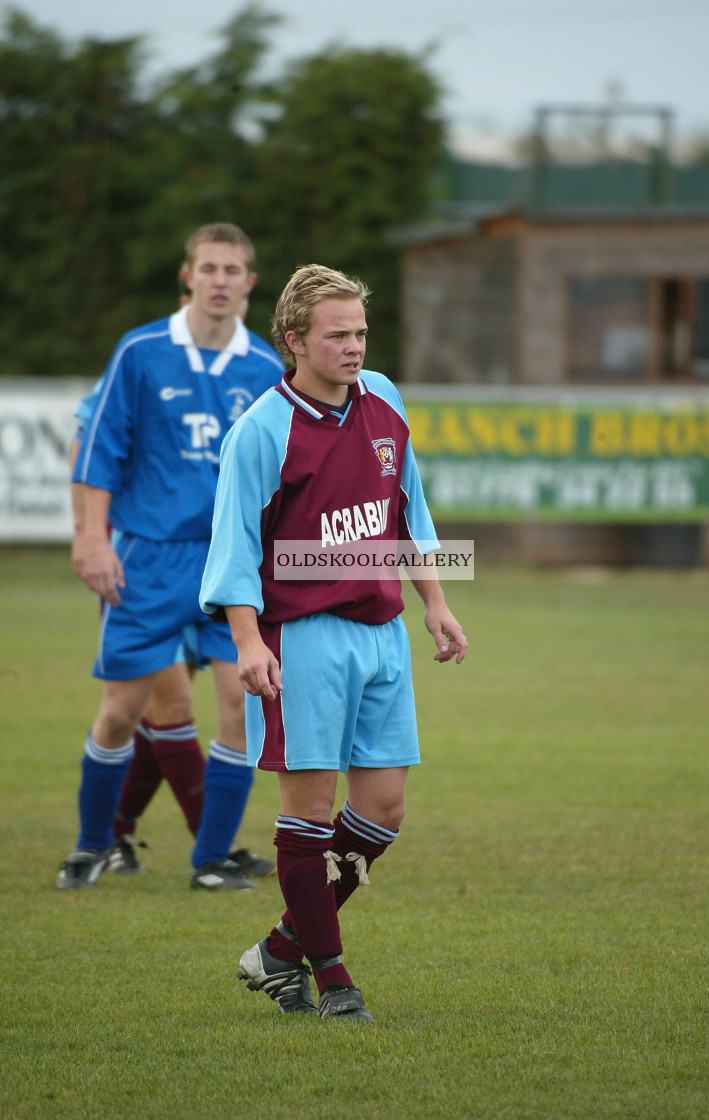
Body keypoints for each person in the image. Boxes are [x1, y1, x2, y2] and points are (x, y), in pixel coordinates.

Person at [199, 264, 468, 1022]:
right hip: (303, 638)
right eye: (336, 335)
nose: (353, 347)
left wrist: (435, 602)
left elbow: (407, 509)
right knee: (309, 816)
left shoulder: (382, 397)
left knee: (382, 809)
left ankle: (283, 945)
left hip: (380, 633)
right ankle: (333, 981)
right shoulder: (263, 428)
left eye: (359, 332)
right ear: (293, 341)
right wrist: (249, 644)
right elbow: (234, 551)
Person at [58, 222, 284, 891]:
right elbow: (98, 448)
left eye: (232, 269)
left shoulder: (268, 370)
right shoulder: (142, 351)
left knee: (241, 707)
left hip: (232, 562)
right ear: (187, 276)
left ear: (249, 281)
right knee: (122, 712)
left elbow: (281, 480)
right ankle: (94, 843)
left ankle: (211, 860)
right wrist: (90, 537)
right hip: (149, 558)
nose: (219, 280)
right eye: (208, 268)